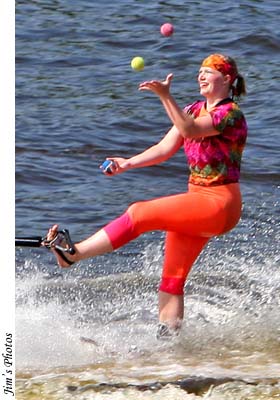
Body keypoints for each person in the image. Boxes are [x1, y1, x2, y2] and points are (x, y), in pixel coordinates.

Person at [45, 53, 247, 339]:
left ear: (226, 79)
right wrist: (127, 163)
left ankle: (73, 255)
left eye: (209, 72)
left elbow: (189, 129)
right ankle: (168, 349)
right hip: (198, 202)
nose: (200, 75)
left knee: (139, 213)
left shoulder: (230, 114)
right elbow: (164, 149)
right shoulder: (192, 108)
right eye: (199, 70)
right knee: (171, 282)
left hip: (220, 203)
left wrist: (165, 96)